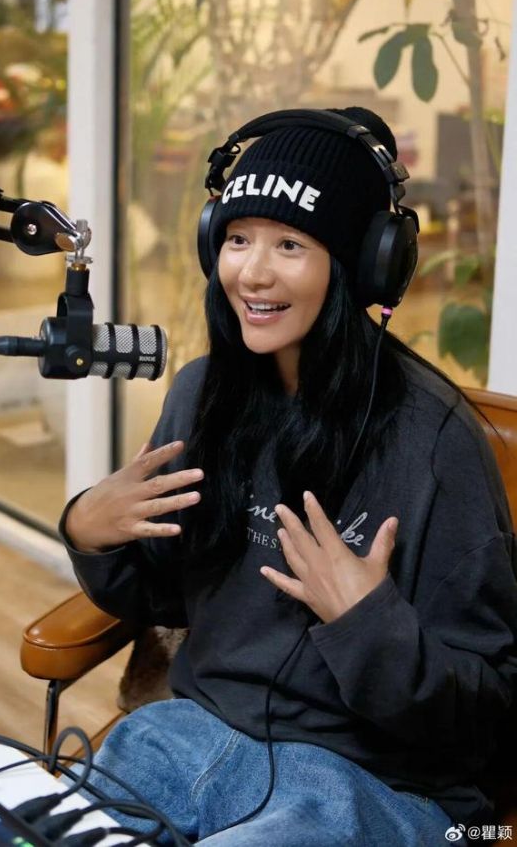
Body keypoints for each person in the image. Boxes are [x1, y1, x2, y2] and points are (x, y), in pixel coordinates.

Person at [60, 107, 517, 846]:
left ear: (365, 264)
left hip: (371, 781)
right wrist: (91, 533)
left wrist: (369, 625)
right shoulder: (202, 396)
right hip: (191, 736)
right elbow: (163, 595)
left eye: (291, 244)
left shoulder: (436, 442)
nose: (253, 272)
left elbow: (489, 713)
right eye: (238, 238)